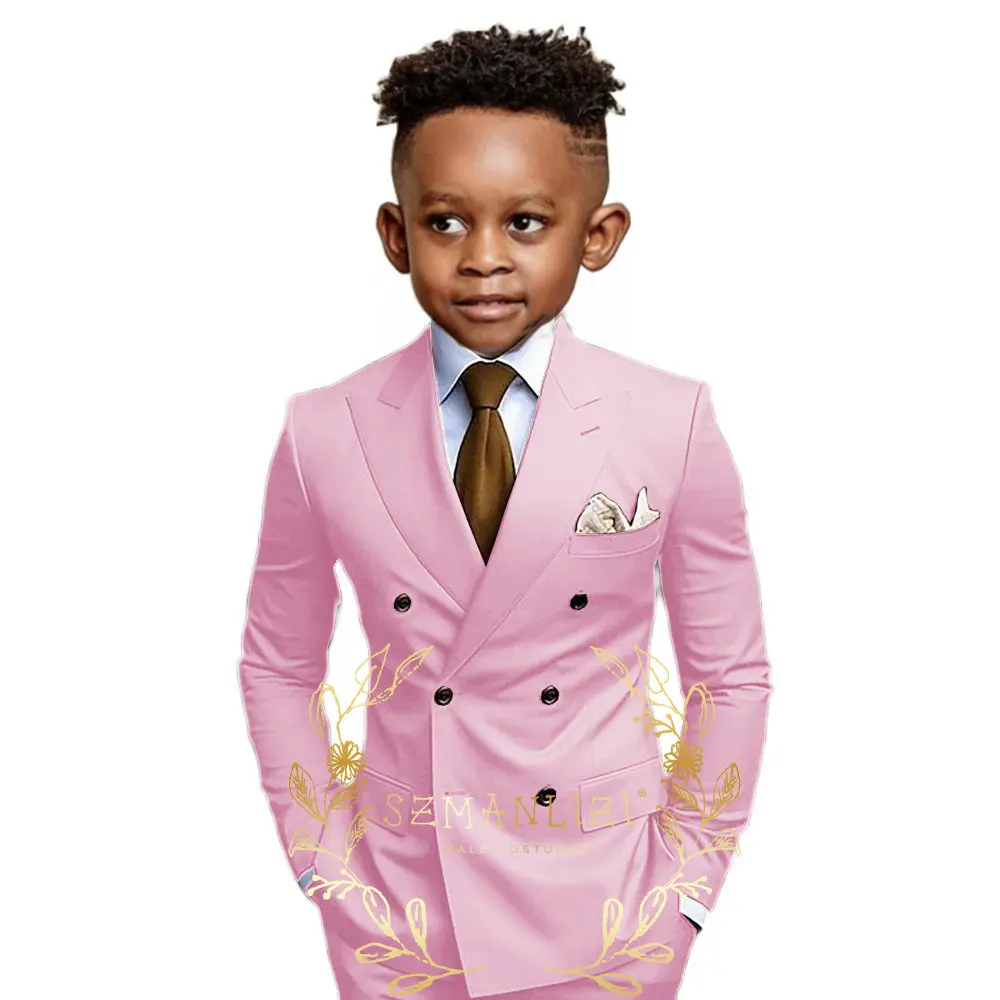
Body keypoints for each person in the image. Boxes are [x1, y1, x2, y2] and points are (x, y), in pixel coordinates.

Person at [238, 23, 772, 999]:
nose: (483, 258)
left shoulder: (671, 419)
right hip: (404, 909)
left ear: (597, 235)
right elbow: (278, 664)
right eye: (446, 222)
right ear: (395, 234)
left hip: (609, 909)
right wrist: (325, 867)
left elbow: (728, 674)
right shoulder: (323, 430)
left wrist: (686, 889)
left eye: (525, 222)